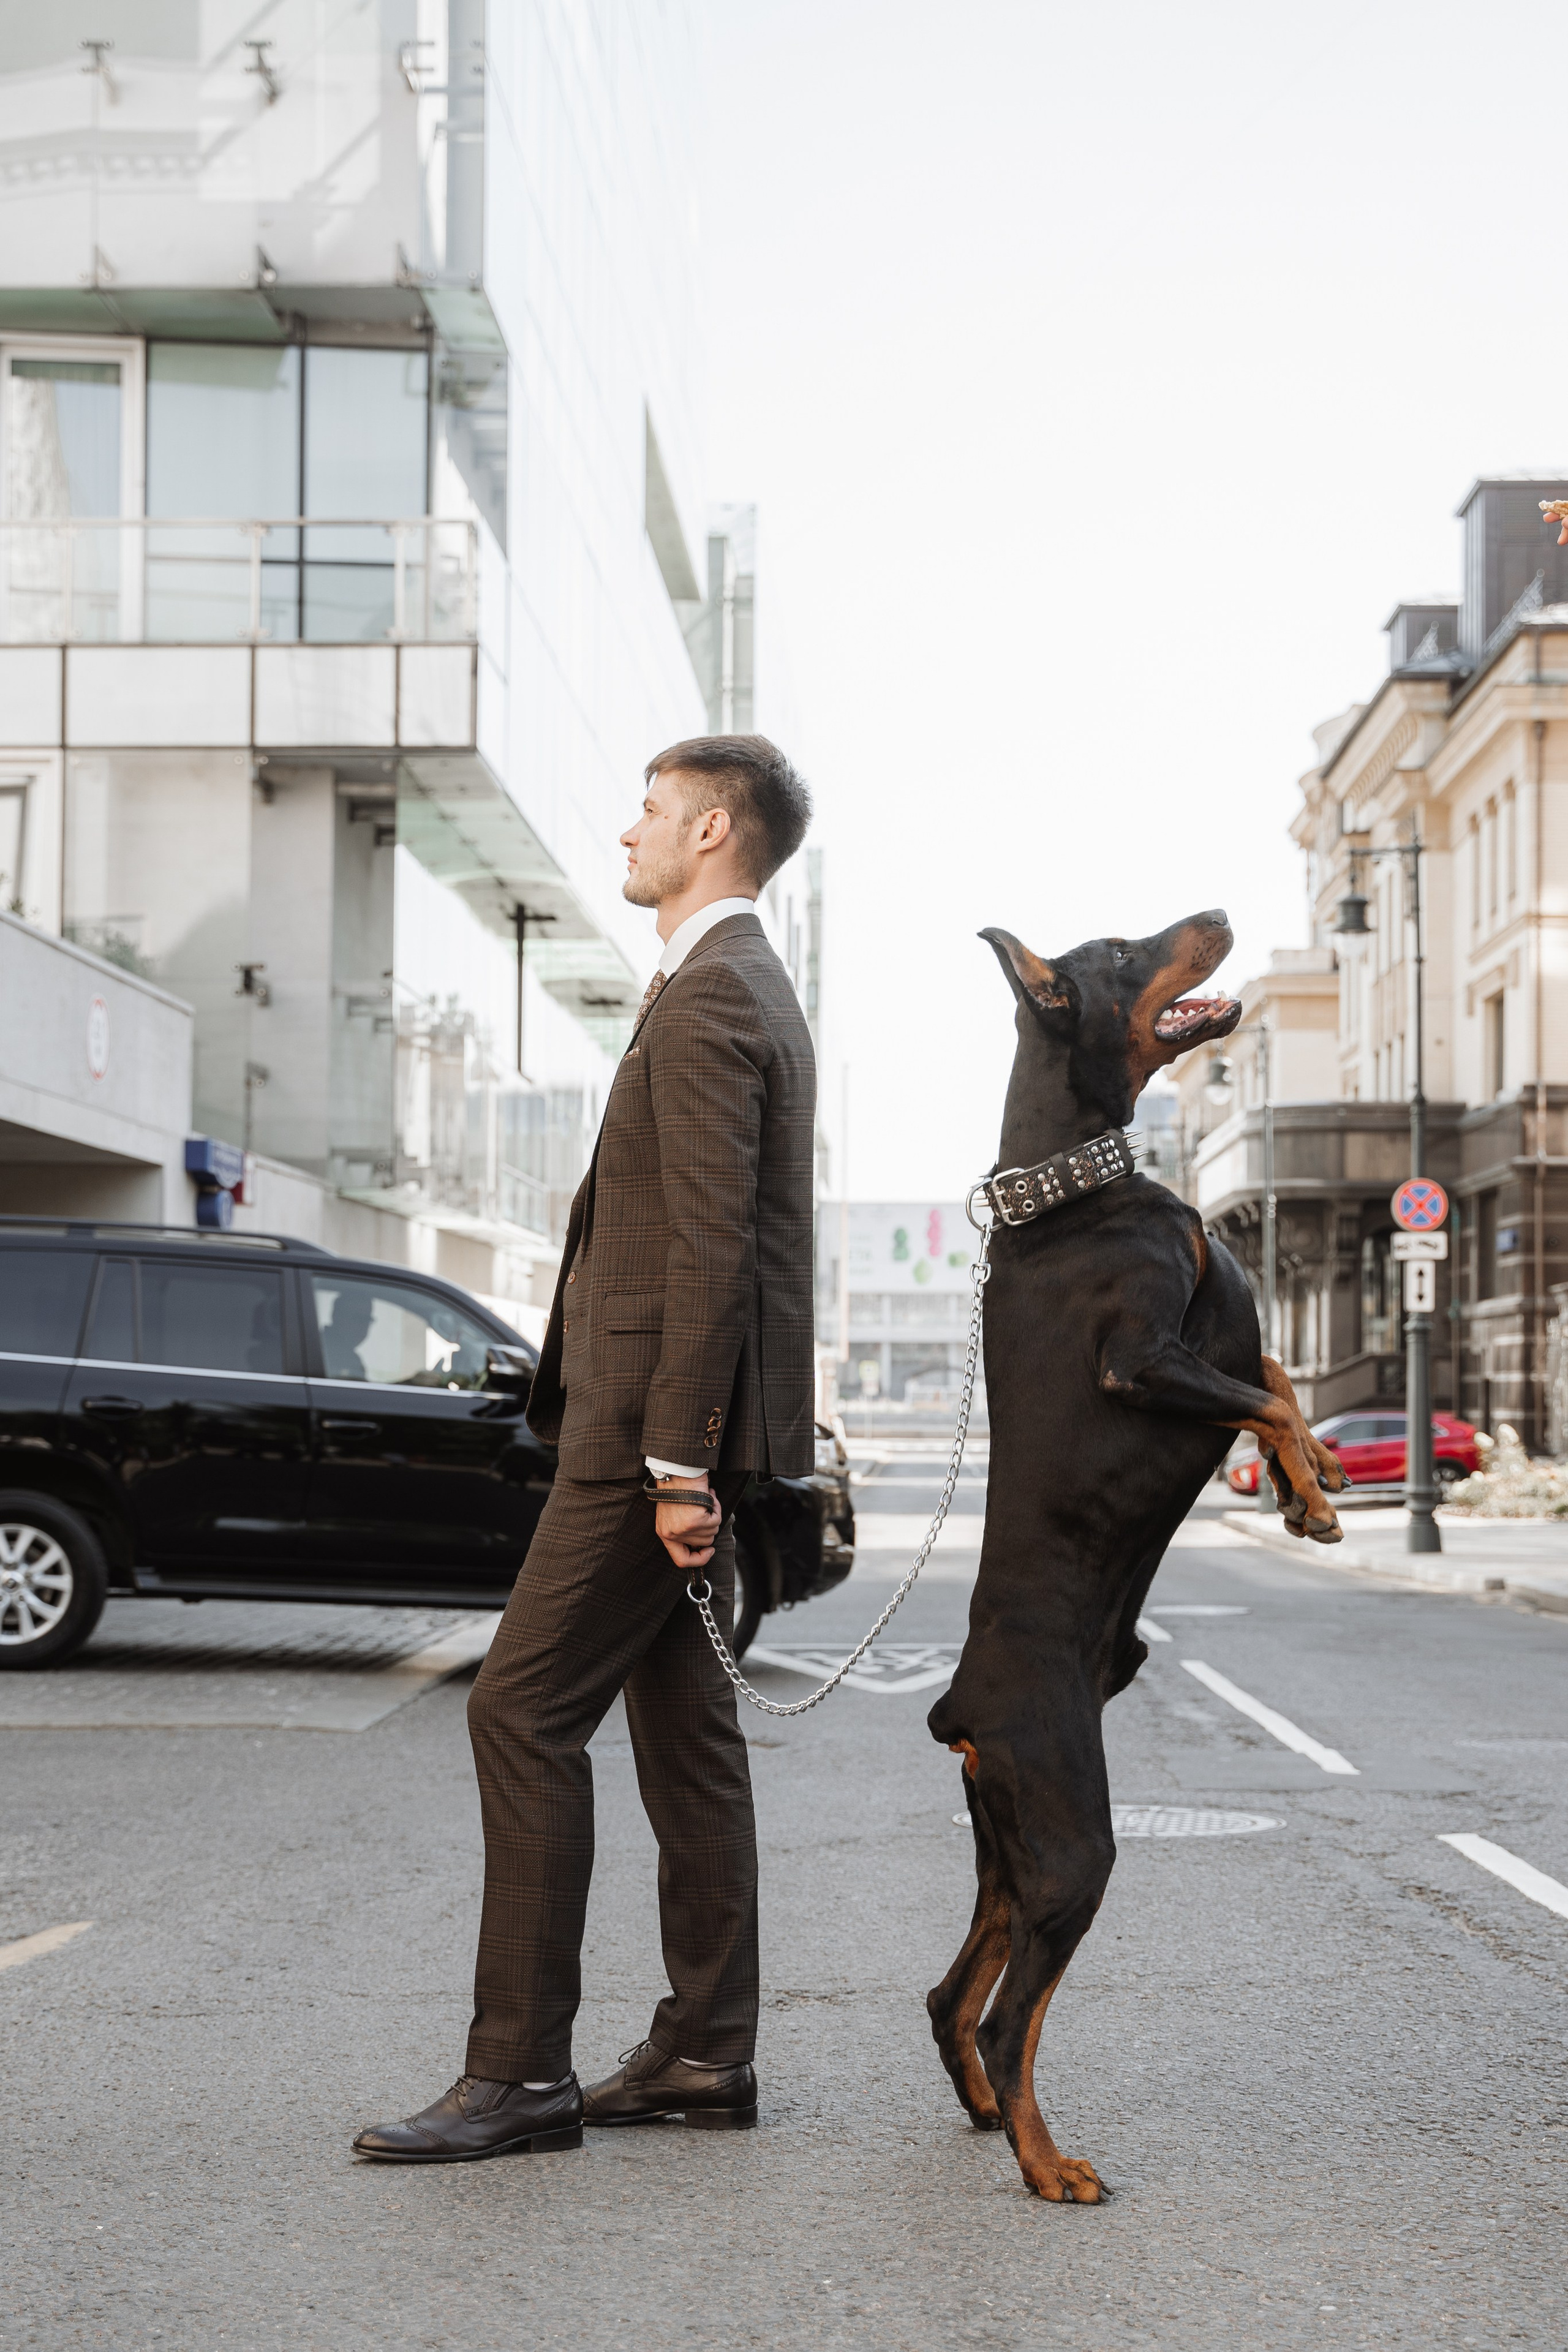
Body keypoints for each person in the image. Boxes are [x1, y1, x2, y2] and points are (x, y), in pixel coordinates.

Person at [353, 734, 816, 2162]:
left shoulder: (711, 999)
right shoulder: (732, 989)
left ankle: (517, 2075)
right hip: (669, 1432)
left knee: (518, 1712)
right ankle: (699, 2054)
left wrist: (677, 1460)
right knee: (685, 1732)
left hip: (641, 1440)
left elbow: (705, 1251)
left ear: (714, 830)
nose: (627, 833)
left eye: (651, 812)